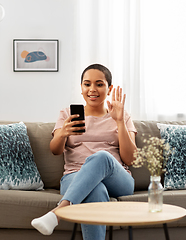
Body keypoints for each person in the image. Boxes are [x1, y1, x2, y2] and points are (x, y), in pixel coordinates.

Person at [31, 64, 137, 240]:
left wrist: (119, 122)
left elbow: (130, 159)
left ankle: (58, 212)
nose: (92, 89)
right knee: (96, 191)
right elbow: (55, 150)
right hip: (75, 176)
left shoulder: (122, 115)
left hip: (118, 178)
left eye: (99, 84)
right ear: (81, 88)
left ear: (109, 88)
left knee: (103, 156)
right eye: (87, 84)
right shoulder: (67, 114)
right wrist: (63, 133)